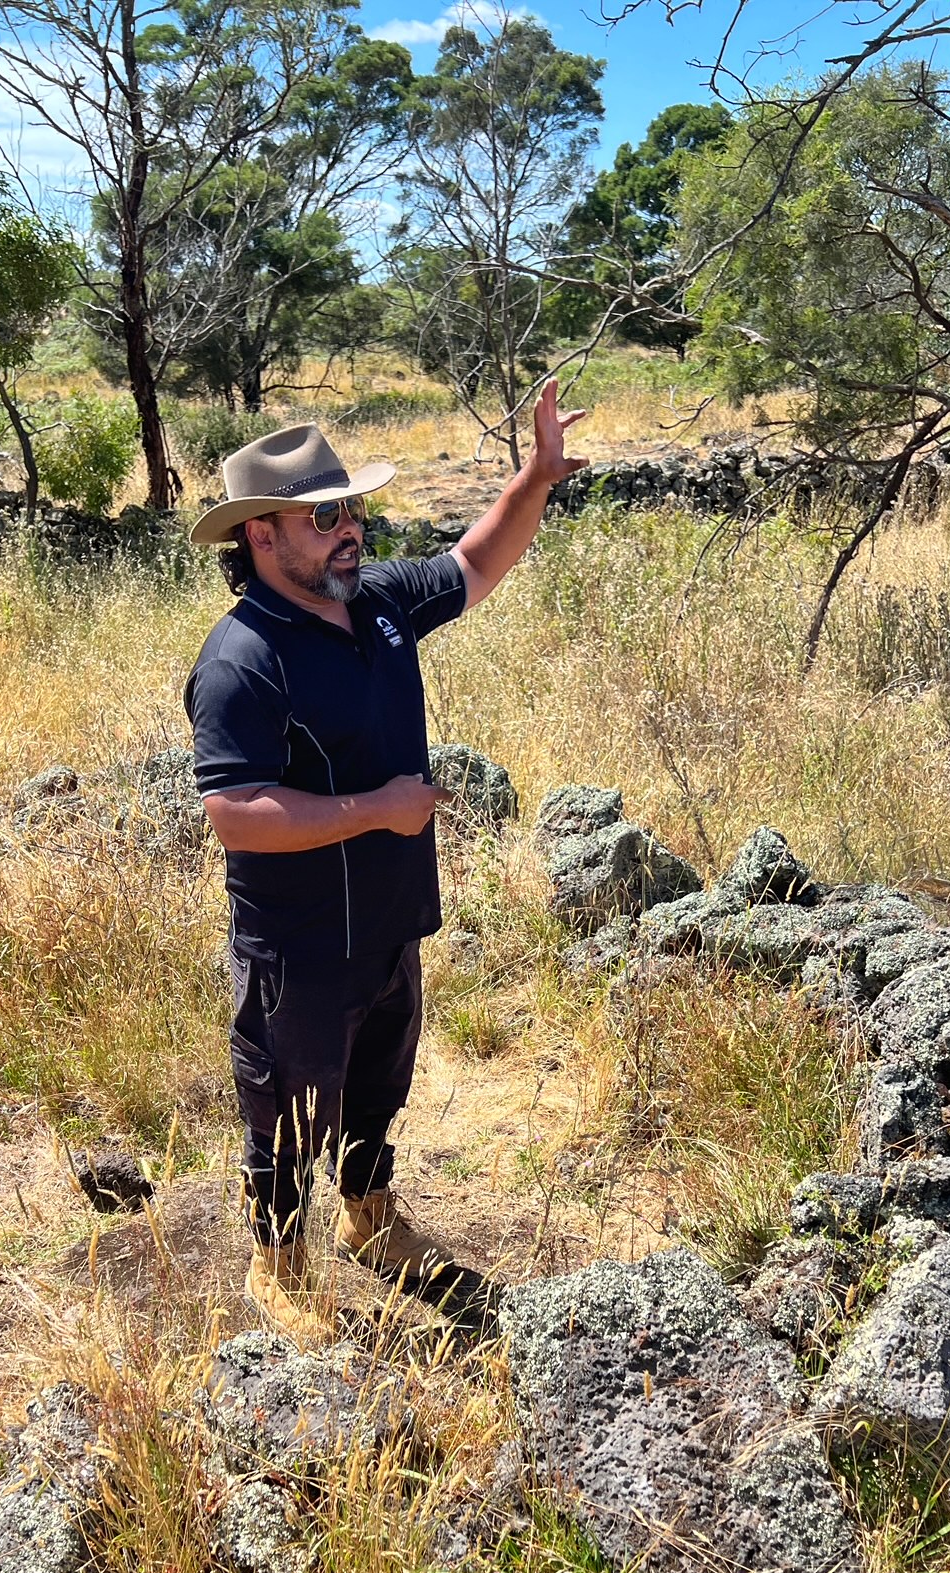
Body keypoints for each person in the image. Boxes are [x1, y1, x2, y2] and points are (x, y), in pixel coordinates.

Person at [185, 381, 588, 1339]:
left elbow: (474, 563)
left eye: (354, 508)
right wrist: (379, 810)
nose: (349, 530)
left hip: (391, 921)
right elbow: (235, 812)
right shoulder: (244, 660)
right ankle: (277, 1264)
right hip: (300, 942)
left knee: (376, 1085)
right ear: (262, 538)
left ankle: (368, 1219)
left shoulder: (376, 605)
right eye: (324, 516)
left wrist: (533, 478)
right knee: (288, 1109)